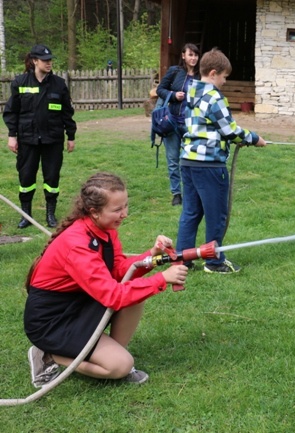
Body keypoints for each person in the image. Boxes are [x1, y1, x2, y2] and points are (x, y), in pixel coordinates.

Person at [23, 172, 188, 388]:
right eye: (117, 209)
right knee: (120, 366)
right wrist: (162, 279)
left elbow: (119, 271)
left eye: (126, 206)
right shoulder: (77, 244)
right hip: (52, 321)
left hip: (80, 302)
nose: (125, 214)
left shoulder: (106, 230)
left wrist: (153, 255)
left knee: (135, 296)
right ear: (94, 212)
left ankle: (107, 353)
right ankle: (48, 354)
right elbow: (112, 295)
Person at [176, 48, 266, 274]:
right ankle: (214, 261)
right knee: (216, 215)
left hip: (188, 161)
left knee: (190, 212)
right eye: (224, 77)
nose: (225, 82)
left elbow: (206, 127)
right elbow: (230, 130)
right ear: (214, 73)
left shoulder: (190, 91)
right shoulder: (215, 97)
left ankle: (182, 259)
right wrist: (254, 139)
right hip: (209, 166)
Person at [3, 44, 76, 229]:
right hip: (28, 138)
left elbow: (67, 112)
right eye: (45, 60)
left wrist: (71, 135)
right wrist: (12, 135)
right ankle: (25, 214)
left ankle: (50, 213)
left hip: (53, 138)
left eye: (50, 60)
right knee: (26, 177)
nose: (49, 63)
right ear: (35, 61)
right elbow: (12, 112)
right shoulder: (20, 82)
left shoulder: (59, 84)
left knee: (52, 178)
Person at [156, 43, 200, 206]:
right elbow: (160, 89)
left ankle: (192, 192)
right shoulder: (174, 71)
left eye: (195, 55)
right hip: (172, 122)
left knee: (192, 159)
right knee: (173, 159)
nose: (193, 58)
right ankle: (176, 193)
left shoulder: (200, 76)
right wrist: (173, 95)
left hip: (191, 124)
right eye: (190, 55)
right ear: (183, 56)